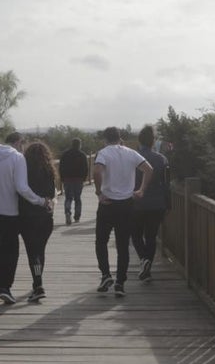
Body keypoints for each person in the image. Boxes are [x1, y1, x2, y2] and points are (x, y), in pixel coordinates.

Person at [0, 132, 54, 304]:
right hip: (10, 211)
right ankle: (5, 286)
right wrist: (40, 201)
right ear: (18, 142)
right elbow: (21, 187)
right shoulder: (17, 158)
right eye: (22, 144)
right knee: (11, 251)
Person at [93, 127, 152, 297]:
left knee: (101, 241)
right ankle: (120, 283)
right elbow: (149, 169)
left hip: (107, 203)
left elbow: (97, 171)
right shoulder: (131, 153)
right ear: (120, 138)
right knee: (123, 245)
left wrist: (99, 192)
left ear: (105, 139)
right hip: (127, 204)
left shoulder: (103, 153)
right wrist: (141, 190)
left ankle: (105, 275)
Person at [19, 140, 58, 302]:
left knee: (32, 252)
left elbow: (20, 191)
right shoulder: (50, 171)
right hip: (45, 218)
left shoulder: (23, 171)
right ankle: (37, 283)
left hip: (27, 217)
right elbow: (52, 192)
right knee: (40, 251)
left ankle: (38, 285)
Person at [131, 125, 170, 281]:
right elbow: (167, 184)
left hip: (136, 202)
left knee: (135, 235)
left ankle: (144, 260)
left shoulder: (132, 157)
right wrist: (168, 204)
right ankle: (147, 266)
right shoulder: (162, 159)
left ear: (139, 140)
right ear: (153, 141)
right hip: (157, 203)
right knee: (151, 236)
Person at [58, 138, 89, 225]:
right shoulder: (82, 155)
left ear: (71, 144)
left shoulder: (65, 154)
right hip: (78, 179)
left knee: (68, 198)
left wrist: (62, 178)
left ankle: (67, 212)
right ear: (80, 145)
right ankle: (77, 217)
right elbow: (86, 168)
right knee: (77, 198)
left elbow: (61, 167)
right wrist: (84, 178)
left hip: (67, 179)